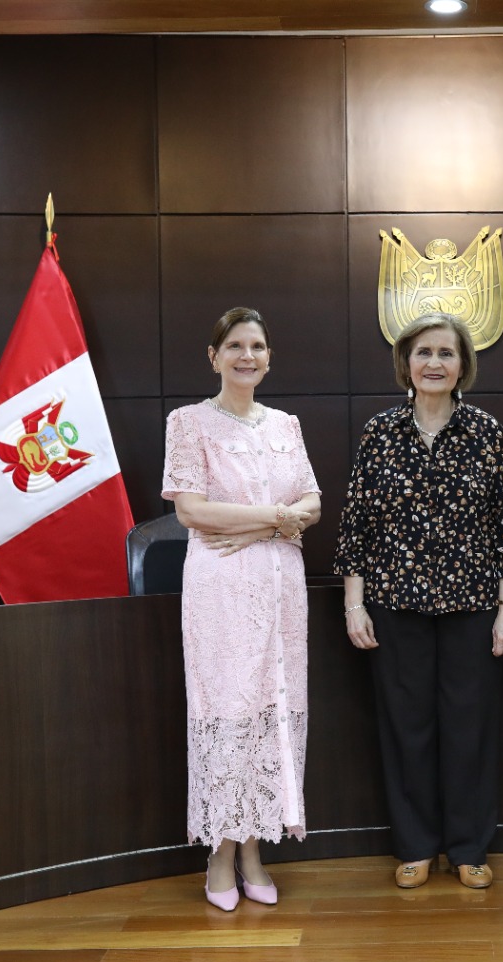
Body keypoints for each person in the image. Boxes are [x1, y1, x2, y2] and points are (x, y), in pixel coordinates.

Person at [335, 312, 503, 891]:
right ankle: (416, 845)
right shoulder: (379, 432)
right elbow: (355, 527)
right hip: (394, 606)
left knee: (469, 728)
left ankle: (468, 847)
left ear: (464, 365)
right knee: (406, 727)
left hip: (473, 607)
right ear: (406, 365)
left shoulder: (487, 431)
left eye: (447, 353)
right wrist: (354, 604)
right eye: (424, 353)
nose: (435, 363)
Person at [162, 307, 322, 912]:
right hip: (221, 587)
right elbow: (192, 512)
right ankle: (220, 855)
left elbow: (311, 499)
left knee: (271, 710)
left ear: (268, 356)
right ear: (214, 356)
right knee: (226, 712)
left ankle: (256, 848)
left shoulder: (286, 424)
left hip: (281, 584)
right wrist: (277, 521)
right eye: (234, 345)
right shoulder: (188, 422)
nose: (246, 355)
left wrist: (270, 524)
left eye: (256, 345)